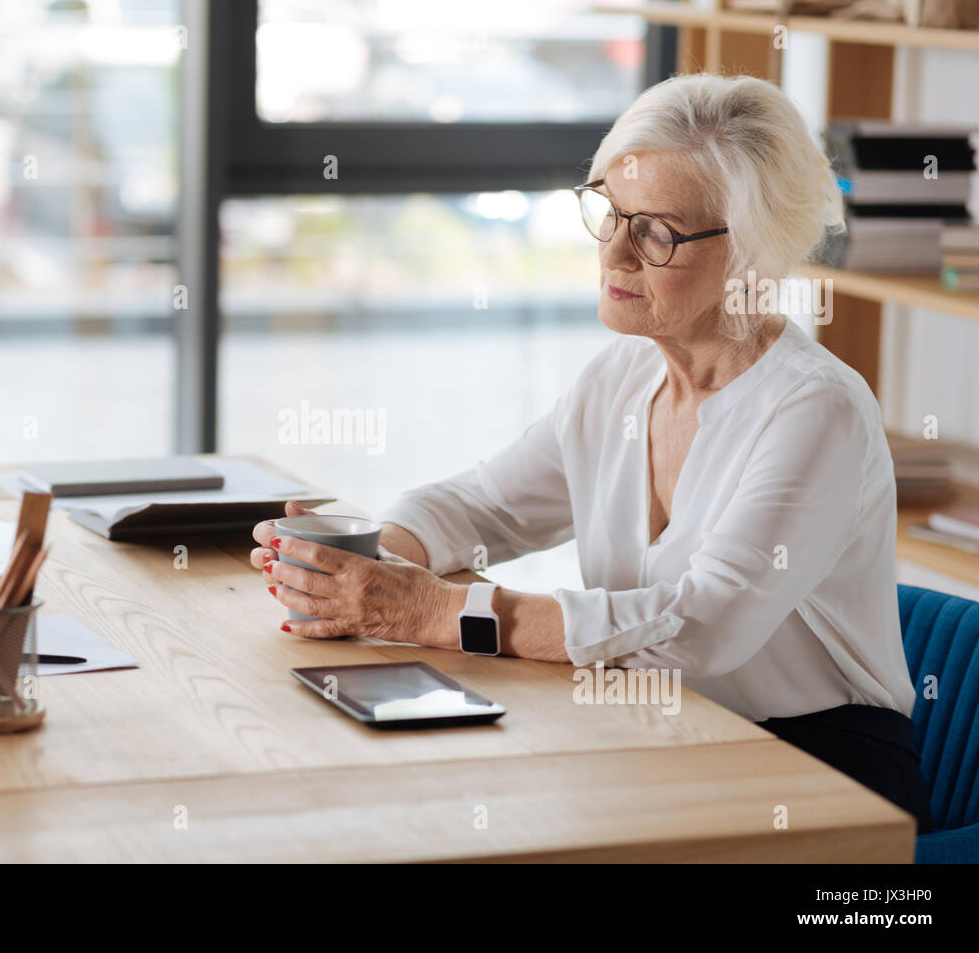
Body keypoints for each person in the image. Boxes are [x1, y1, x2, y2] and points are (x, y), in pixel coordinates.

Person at [250, 73, 933, 834]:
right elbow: (481, 506)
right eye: (609, 212)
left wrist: (438, 611)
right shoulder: (624, 376)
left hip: (818, 773)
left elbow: (699, 630)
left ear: (750, 251)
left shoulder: (818, 409)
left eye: (656, 231)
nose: (613, 251)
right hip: (652, 733)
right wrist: (355, 567)